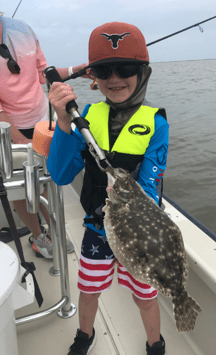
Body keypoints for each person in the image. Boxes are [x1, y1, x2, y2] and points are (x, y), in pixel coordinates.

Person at [47, 22, 169, 355]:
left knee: (145, 296)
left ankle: (155, 343)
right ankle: (85, 335)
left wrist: (123, 194)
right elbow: (60, 174)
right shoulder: (85, 115)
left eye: (126, 67)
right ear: (93, 76)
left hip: (139, 234)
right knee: (89, 290)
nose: (114, 78)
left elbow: (150, 183)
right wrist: (62, 121)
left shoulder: (156, 124)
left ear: (143, 72)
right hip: (97, 229)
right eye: (104, 70)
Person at [0, 14, 91, 258]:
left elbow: (43, 73)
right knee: (21, 187)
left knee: (46, 179)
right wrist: (20, 141)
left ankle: (53, 229)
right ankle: (39, 237)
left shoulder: (23, 30)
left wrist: (78, 70)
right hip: (7, 129)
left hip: (42, 120)